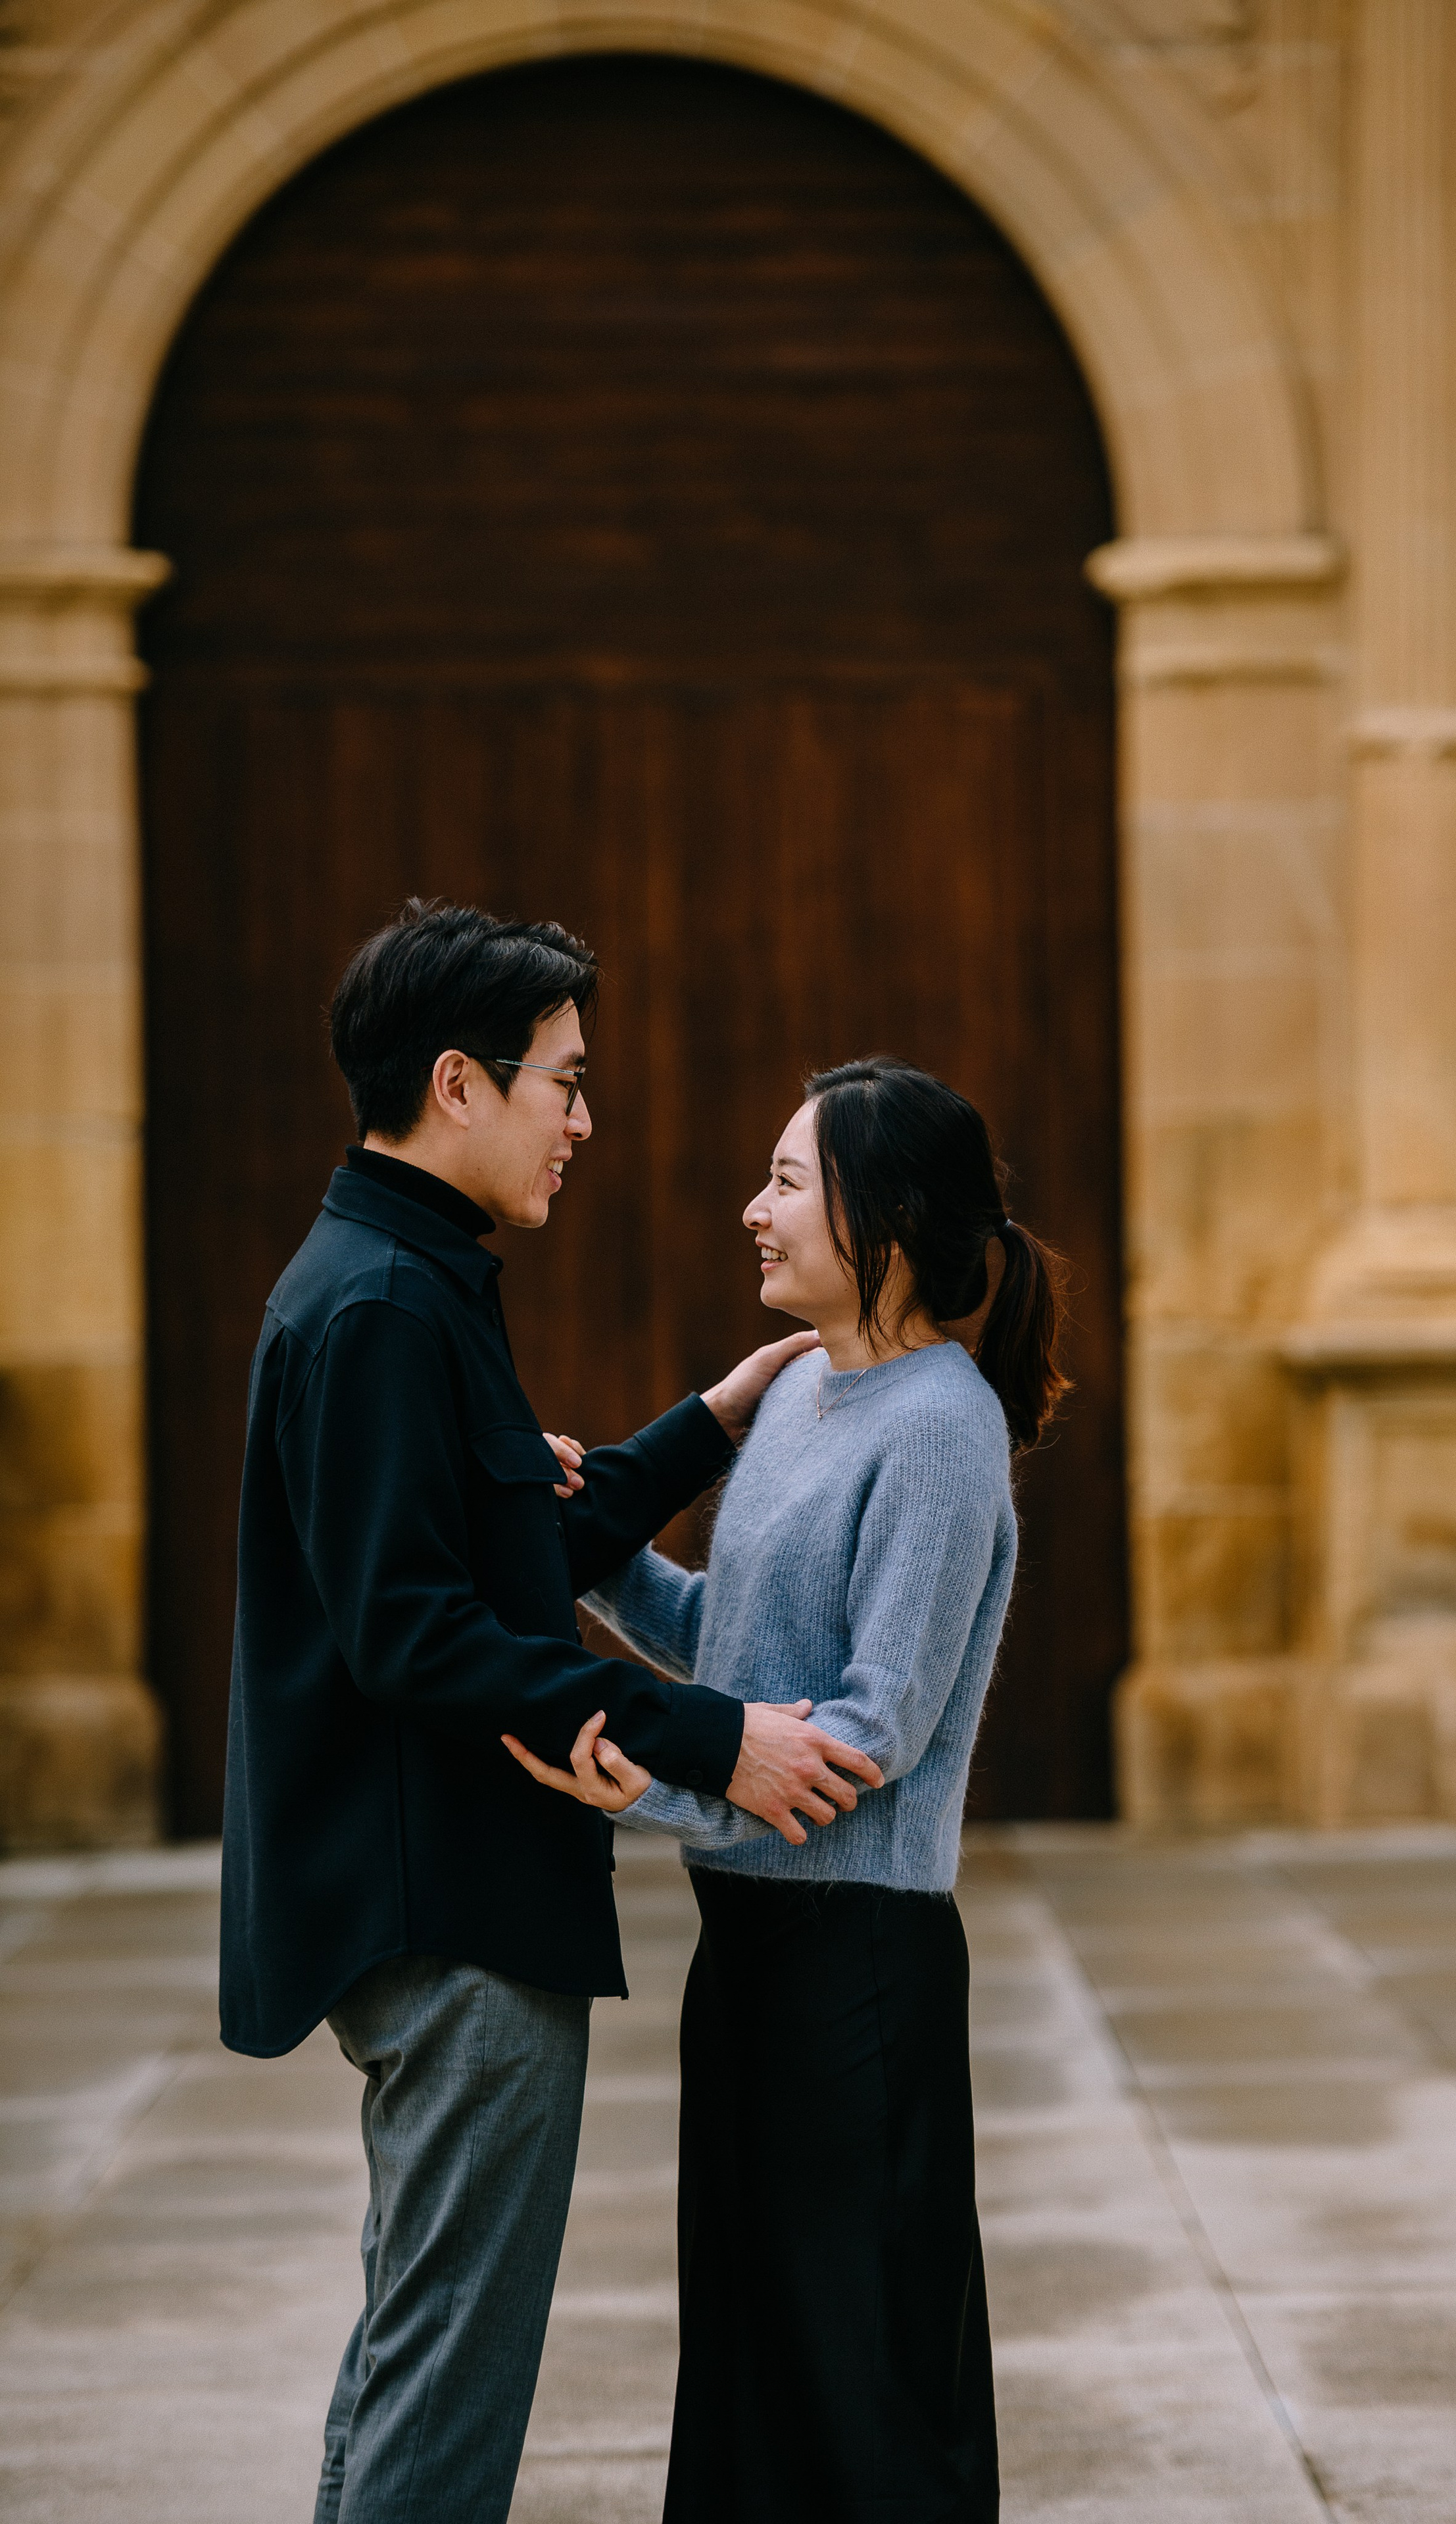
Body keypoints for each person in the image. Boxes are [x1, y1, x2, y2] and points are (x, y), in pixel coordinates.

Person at [216, 899, 882, 2524]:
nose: (584, 1118)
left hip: (445, 1896)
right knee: (447, 2377)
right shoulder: (378, 1304)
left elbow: (515, 1549)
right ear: (458, 1080)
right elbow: (419, 1634)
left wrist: (713, 1416)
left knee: (408, 2351)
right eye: (562, 1081)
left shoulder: (407, 1272)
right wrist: (714, 1734)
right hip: (451, 1917)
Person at [507, 1054, 1070, 2524]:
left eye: (784, 1181)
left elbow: (862, 1731)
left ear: (880, 1215)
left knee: (862, 2377)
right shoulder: (813, 1388)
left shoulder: (942, 1425)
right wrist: (600, 1545)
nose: (752, 1210)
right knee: (754, 2361)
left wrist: (624, 1784)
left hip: (857, 1975)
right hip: (748, 1954)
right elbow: (737, 1649)